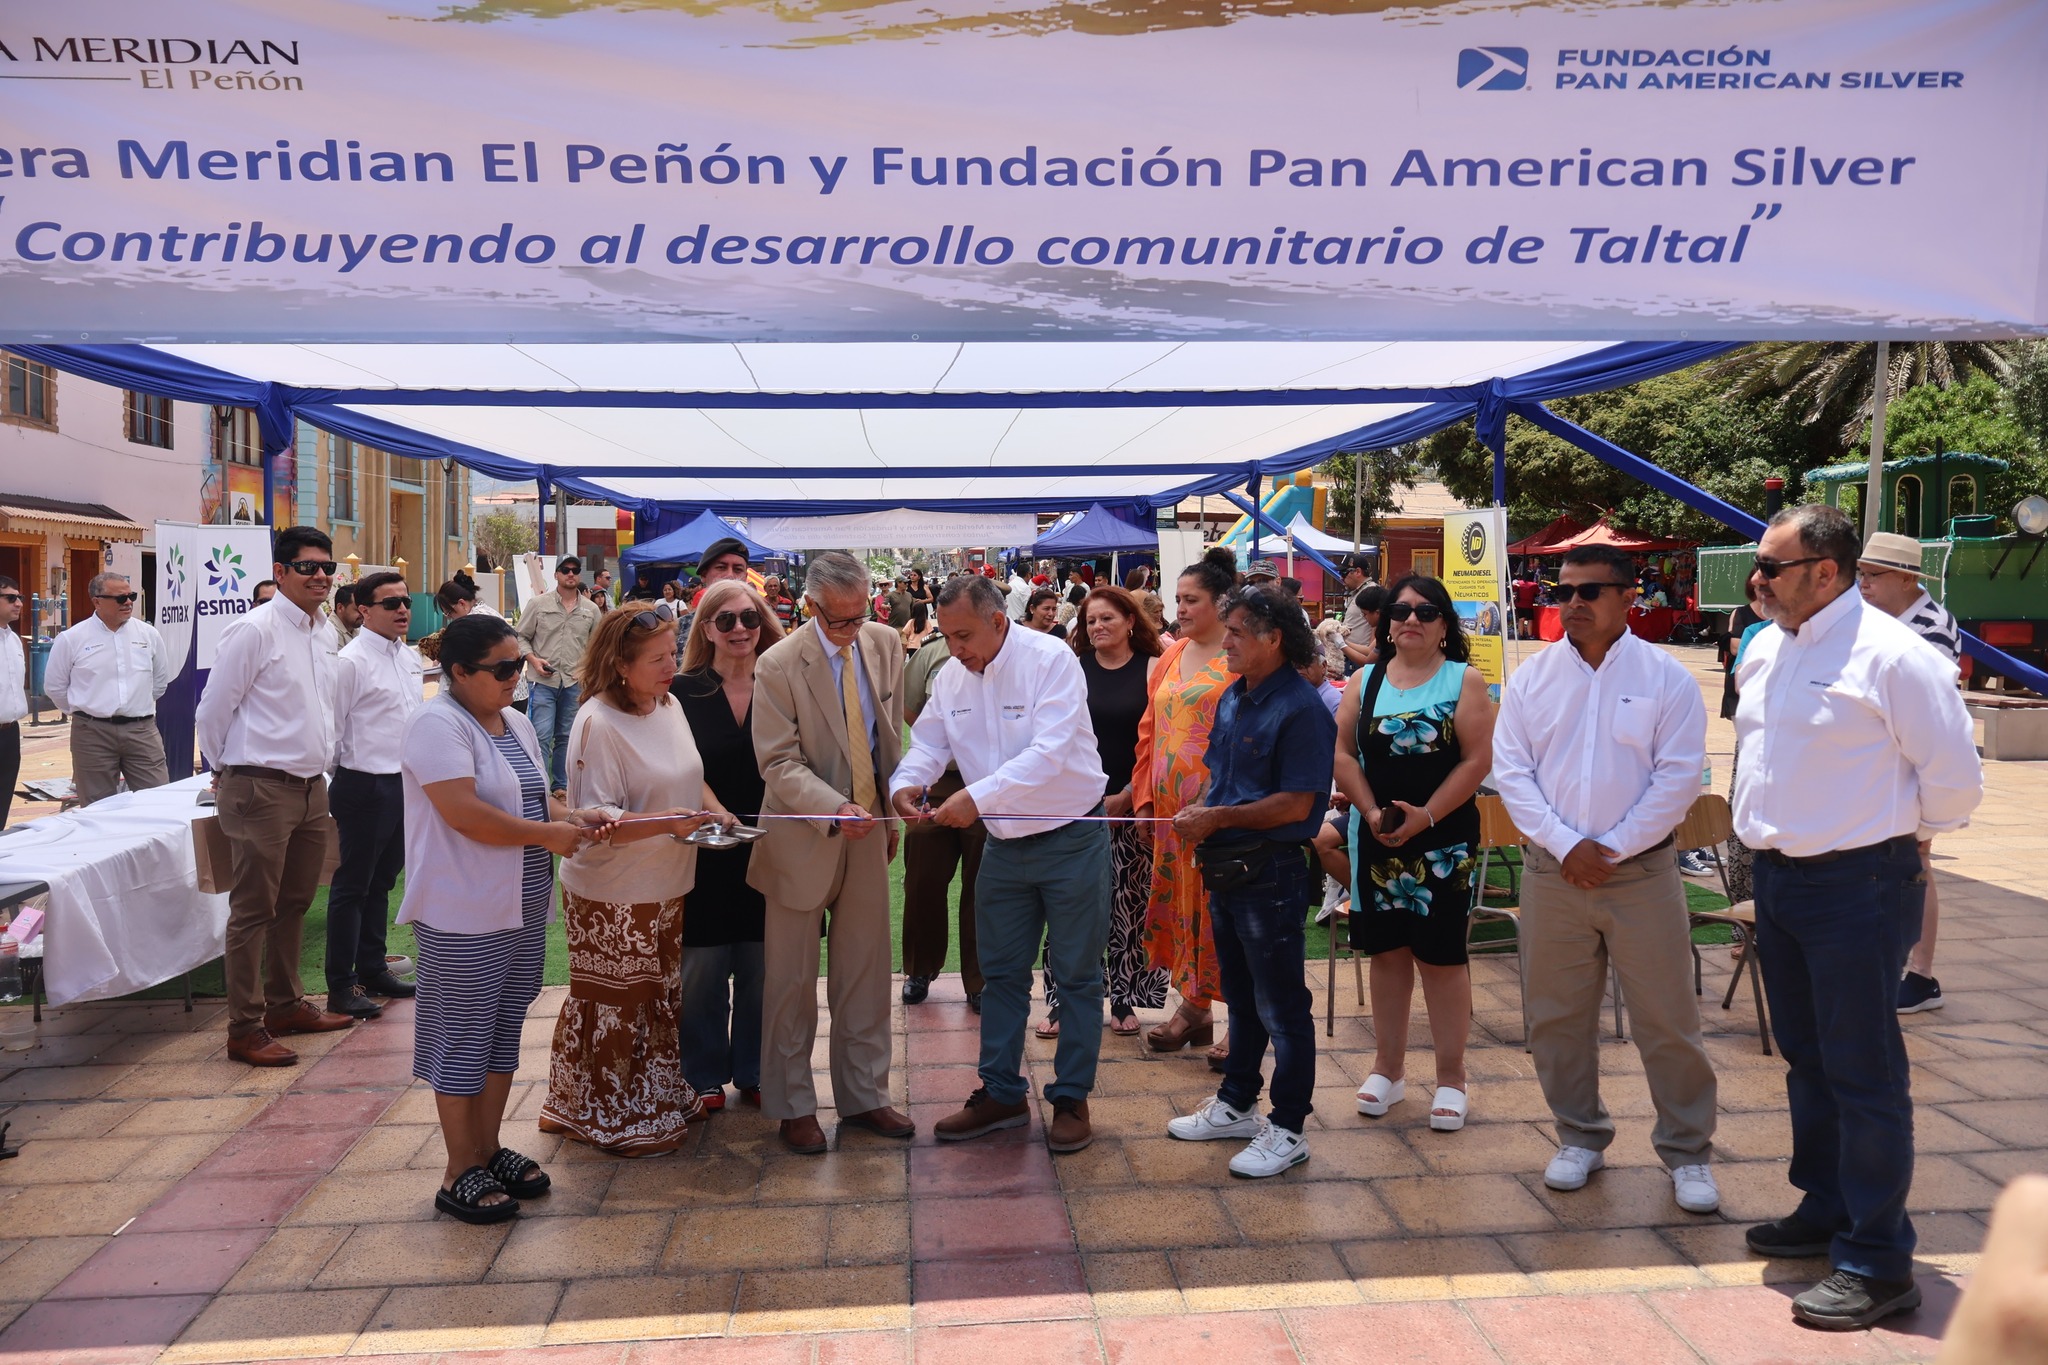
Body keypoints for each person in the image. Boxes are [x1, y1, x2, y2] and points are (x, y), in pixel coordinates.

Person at [1733, 503, 1982, 1331]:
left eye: (1771, 567)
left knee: (1865, 1070)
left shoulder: (1894, 656)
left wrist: (1900, 836)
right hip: (1779, 880)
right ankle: (1828, 1204)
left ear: (1827, 572)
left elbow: (1954, 779)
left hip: (1859, 886)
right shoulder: (1764, 646)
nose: (1756, 580)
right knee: (1807, 1056)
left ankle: (1878, 1260)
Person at [1493, 545, 1720, 1214]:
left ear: (1629, 596)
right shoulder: (1533, 680)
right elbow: (1513, 772)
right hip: (1553, 872)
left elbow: (1678, 779)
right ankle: (1579, 1135)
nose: (1572, 603)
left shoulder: (1666, 679)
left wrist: (1611, 848)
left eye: (1591, 590)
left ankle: (1688, 1150)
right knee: (1556, 1018)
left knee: (1668, 1019)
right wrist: (1568, 845)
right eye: (1558, 590)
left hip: (1641, 874)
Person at [890, 574, 1111, 1153]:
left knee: (1077, 974)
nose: (954, 648)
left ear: (996, 619)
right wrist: (907, 784)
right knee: (1000, 972)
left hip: (1071, 836)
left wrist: (976, 798)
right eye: (945, 635)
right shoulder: (953, 675)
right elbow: (930, 742)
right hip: (1005, 846)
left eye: (962, 635)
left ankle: (1071, 1097)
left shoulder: (1051, 658)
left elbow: (1050, 752)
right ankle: (1001, 1092)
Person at [399, 612, 605, 1222]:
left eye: (519, 665)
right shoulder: (435, 724)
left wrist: (572, 816)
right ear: (458, 672)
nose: (517, 677)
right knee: (462, 1035)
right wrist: (549, 834)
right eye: (503, 669)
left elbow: (530, 795)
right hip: (463, 911)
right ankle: (457, 1167)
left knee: (500, 1033)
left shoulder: (512, 721)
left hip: (516, 906)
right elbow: (466, 813)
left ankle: (487, 1149)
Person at [1162, 585, 1337, 1176]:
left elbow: (1295, 806)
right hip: (1227, 866)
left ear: (1273, 639)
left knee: (1283, 1004)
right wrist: (1206, 810)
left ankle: (1288, 1127)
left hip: (1273, 870)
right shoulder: (1236, 695)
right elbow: (1219, 772)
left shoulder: (1302, 708)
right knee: (1240, 994)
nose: (1226, 640)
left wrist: (1217, 817)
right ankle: (1237, 1101)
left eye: (1236, 631)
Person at [542, 607, 725, 1154]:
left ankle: (651, 1096)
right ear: (620, 665)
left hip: (668, 880)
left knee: (658, 994)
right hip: (613, 891)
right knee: (614, 1002)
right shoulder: (598, 722)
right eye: (658, 659)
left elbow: (691, 777)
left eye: (673, 653)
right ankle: (606, 1112)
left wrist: (719, 810)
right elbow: (598, 825)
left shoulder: (668, 704)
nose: (672, 666)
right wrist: (674, 822)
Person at [750, 550, 912, 1154]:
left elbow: (889, 734)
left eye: (860, 613)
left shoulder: (885, 643)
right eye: (838, 619)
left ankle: (866, 1095)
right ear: (810, 605)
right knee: (790, 981)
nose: (852, 627)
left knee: (866, 973)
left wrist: (889, 813)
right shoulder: (778, 665)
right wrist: (833, 807)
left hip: (868, 833)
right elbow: (777, 762)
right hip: (801, 836)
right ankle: (792, 1104)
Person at [1334, 574, 1493, 1132]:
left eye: (1426, 612)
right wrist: (1371, 810)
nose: (1411, 620)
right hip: (1376, 833)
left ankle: (1452, 1078)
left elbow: (1475, 762)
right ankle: (1389, 1070)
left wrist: (1426, 815)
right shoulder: (1364, 681)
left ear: (1445, 625)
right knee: (1387, 954)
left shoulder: (1464, 680)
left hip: (1442, 840)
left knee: (1442, 958)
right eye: (1400, 611)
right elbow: (1344, 754)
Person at [196, 527, 354, 1066]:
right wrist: (226, 769)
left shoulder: (323, 631)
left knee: (295, 903)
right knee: (252, 910)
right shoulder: (254, 630)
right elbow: (213, 710)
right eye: (308, 567)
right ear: (281, 572)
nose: (321, 576)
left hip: (312, 789)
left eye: (327, 568)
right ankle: (243, 1027)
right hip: (260, 787)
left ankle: (285, 1004)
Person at [1036, 587, 1167, 1038]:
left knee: (1129, 904)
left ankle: (1125, 996)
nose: (1098, 627)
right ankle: (1062, 1001)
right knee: (1069, 906)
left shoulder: (1154, 669)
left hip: (1134, 806)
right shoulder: (1071, 670)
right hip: (1076, 807)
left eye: (1107, 618)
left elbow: (1160, 744)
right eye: (1091, 621)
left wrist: (1130, 795)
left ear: (1131, 620)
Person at [672, 579, 783, 1111]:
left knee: (764, 969)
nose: (740, 629)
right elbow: (674, 765)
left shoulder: (784, 683)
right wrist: (716, 809)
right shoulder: (681, 690)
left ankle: (756, 1070)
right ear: (707, 629)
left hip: (773, 846)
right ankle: (701, 1074)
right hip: (704, 850)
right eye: (727, 620)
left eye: (750, 618)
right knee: (702, 971)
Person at [1135, 547, 1239, 1064]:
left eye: (1191, 599)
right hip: (1170, 816)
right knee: (1181, 909)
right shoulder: (1173, 653)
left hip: (1221, 812)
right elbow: (1150, 730)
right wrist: (1144, 796)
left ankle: (1243, 1020)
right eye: (1177, 598)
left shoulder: (1244, 655)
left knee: (1224, 911)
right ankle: (1194, 1007)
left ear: (1223, 603)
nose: (1181, 608)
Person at [1855, 531, 1964, 1015]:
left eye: (1871, 576)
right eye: (1860, 575)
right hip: (1882, 766)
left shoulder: (1930, 629)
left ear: (1904, 578)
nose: (1863, 585)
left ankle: (1920, 975)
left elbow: (1929, 714)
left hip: (1913, 768)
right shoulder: (1885, 618)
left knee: (1916, 866)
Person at [325, 570, 425, 1022]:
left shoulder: (407, 656)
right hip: (364, 782)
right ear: (364, 610)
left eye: (404, 601)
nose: (403, 609)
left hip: (404, 781)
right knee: (353, 886)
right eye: (391, 603)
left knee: (383, 881)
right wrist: (344, 779)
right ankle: (340, 985)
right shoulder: (351, 661)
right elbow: (331, 728)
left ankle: (372, 966)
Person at [899, 625, 989, 1010]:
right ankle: (920, 969)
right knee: (922, 878)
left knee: (983, 885)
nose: (957, 644)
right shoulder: (932, 655)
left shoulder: (1011, 661)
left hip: (987, 785)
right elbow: (910, 707)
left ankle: (980, 980)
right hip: (936, 782)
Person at [43, 571, 173, 805]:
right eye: (120, 598)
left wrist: (135, 706)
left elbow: (160, 681)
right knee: (97, 806)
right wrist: (87, 712)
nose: (129, 602)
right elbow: (55, 688)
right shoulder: (72, 638)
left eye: (131, 596)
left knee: (158, 799)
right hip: (92, 733)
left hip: (141, 730)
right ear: (97, 601)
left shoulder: (148, 635)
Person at [517, 556, 603, 797]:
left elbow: (598, 645)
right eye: (565, 570)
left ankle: (561, 787)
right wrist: (533, 660)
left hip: (575, 681)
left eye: (575, 570)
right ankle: (540, 787)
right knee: (541, 735)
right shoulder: (538, 604)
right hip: (543, 681)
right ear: (556, 574)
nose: (571, 574)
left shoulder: (591, 610)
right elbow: (520, 636)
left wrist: (590, 674)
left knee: (566, 736)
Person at [676, 538, 752, 639]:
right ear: (704, 575)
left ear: (746, 577)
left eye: (738, 569)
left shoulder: (760, 625)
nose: (730, 575)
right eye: (721, 567)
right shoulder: (680, 629)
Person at [0, 576, 24, 829]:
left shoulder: (14, 639)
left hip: (10, 733)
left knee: (3, 797)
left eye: (20, 598)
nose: (18, 603)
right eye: (10, 598)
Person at [1342, 584, 1387, 675]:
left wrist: (1341, 645)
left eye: (1365, 614)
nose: (1364, 618)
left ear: (1377, 613)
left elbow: (1367, 662)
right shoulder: (1382, 628)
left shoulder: (1389, 632)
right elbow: (1369, 650)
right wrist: (1344, 642)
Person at [1124, 566, 1166, 632]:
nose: (1146, 579)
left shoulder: (1125, 595)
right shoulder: (1146, 595)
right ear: (1141, 580)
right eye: (1146, 577)